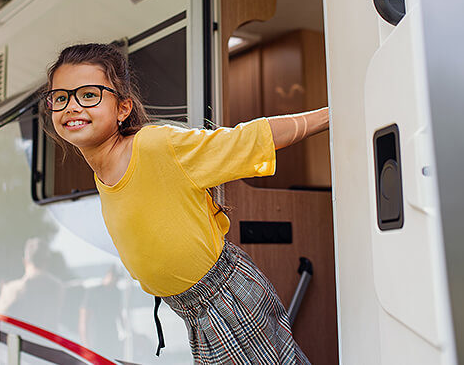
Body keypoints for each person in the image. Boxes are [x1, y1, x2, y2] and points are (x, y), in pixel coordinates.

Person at [40, 43, 328, 364]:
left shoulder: (152, 147)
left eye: (89, 95)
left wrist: (331, 114)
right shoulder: (102, 172)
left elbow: (246, 140)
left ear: (123, 108)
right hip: (194, 310)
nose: (72, 106)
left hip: (224, 299)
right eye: (61, 97)